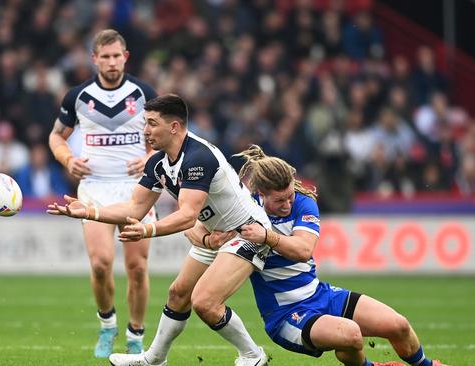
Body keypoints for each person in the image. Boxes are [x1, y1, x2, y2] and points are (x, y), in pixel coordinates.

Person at [49, 94, 271, 366]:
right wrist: (91, 211)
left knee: (204, 302)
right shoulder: (158, 163)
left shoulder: (198, 157)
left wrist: (146, 231)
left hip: (248, 233)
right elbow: (134, 208)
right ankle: (154, 359)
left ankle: (253, 355)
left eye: (152, 124)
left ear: (174, 127)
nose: (145, 131)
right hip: (216, 235)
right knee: (178, 294)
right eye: (145, 123)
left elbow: (188, 216)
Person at [189, 145, 447, 366]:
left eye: (290, 196)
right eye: (279, 201)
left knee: (399, 325)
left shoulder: (303, 202)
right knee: (352, 335)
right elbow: (194, 227)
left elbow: (303, 251)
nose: (288, 204)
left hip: (319, 294)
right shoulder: (243, 210)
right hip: (286, 315)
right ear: (261, 194)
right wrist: (209, 239)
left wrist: (266, 236)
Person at [48, 29, 158, 358]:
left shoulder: (144, 93)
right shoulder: (78, 96)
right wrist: (68, 159)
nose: (111, 62)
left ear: (126, 57)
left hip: (136, 188)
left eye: (116, 56)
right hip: (95, 186)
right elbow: (56, 137)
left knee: (137, 267)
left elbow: (168, 136)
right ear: (94, 59)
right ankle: (108, 324)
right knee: (100, 263)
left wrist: (150, 157)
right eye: (105, 57)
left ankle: (136, 334)